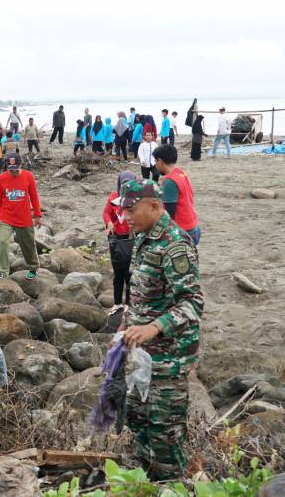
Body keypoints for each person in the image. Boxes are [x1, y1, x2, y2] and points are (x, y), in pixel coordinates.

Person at [118, 179, 203, 481]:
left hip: (170, 358)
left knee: (164, 433)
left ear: (154, 206)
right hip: (142, 354)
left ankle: (169, 483)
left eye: (131, 209)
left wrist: (154, 327)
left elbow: (192, 303)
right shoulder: (143, 236)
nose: (126, 216)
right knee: (137, 419)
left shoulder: (176, 244)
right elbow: (140, 294)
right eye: (123, 210)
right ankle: (144, 480)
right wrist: (123, 331)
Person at [0, 154, 42, 281]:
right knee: (2, 241)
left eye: (16, 169)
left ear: (21, 165)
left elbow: (34, 197)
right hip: (5, 216)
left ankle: (33, 267)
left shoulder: (28, 176)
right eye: (10, 169)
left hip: (24, 217)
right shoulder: (1, 178)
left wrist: (37, 215)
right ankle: (2, 271)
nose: (13, 172)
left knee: (28, 244)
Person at [153, 145, 201, 245]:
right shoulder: (181, 173)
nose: (155, 165)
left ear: (160, 161)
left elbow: (169, 212)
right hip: (193, 226)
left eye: (155, 161)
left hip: (183, 231)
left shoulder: (170, 181)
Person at [103, 171, 136, 305]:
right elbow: (106, 213)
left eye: (129, 184)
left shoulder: (137, 198)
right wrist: (109, 222)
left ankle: (128, 304)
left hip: (131, 239)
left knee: (130, 275)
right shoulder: (114, 197)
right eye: (124, 185)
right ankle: (117, 303)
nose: (126, 188)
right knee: (118, 275)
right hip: (116, 239)